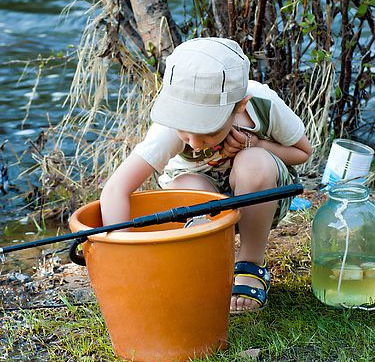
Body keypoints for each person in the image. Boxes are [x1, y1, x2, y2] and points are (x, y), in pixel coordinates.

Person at [100, 37, 312, 313]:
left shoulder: (262, 103)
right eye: (186, 132)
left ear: (239, 106)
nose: (195, 142)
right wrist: (124, 259)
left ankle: (250, 263)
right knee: (188, 184)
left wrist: (255, 144)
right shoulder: (168, 128)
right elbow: (116, 189)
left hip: (260, 198)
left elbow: (302, 152)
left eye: (208, 130)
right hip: (196, 209)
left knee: (254, 162)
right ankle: (208, 265)